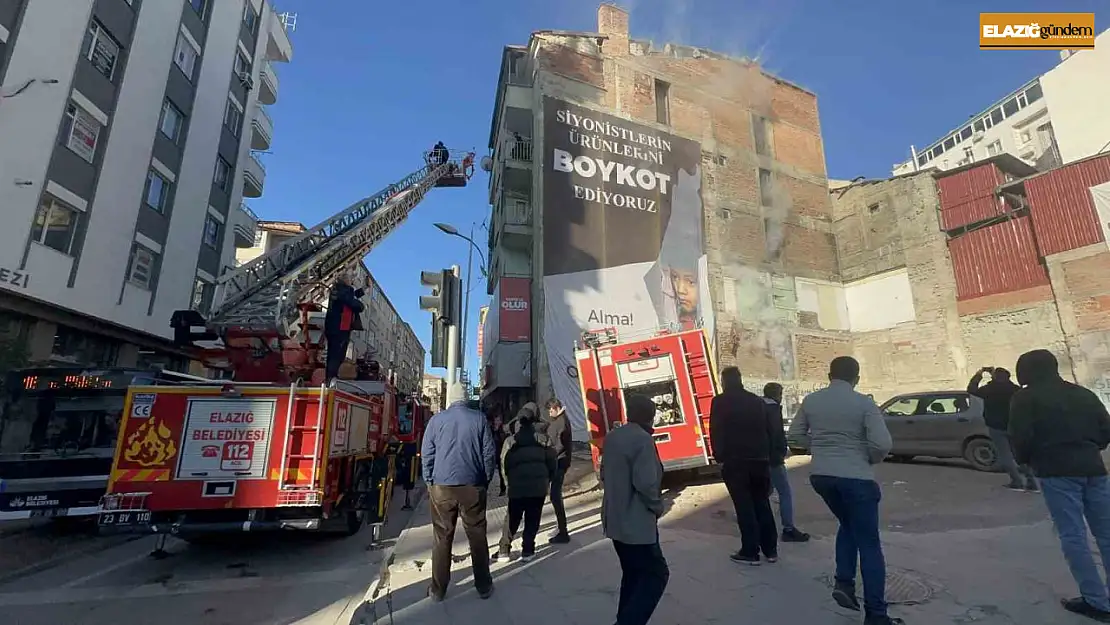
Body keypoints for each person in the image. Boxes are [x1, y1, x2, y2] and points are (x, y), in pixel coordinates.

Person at [788, 356, 902, 625]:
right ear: (857, 378)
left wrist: (820, 448)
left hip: (822, 477)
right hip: (857, 478)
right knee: (870, 545)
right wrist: (869, 457)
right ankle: (876, 615)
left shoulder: (812, 401)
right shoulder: (864, 403)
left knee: (848, 525)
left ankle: (844, 583)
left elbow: (794, 436)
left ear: (830, 375)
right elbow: (882, 443)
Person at [1009, 349, 1110, 621]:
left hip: (1056, 472)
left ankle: (1097, 601)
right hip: (1093, 468)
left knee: (1073, 536)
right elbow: (1105, 431)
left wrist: (1026, 461)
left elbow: (1020, 437)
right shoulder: (1082, 393)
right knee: (1106, 533)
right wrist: (1089, 447)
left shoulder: (1025, 398)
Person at [421, 383, 497, 601]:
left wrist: (429, 480)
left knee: (442, 537)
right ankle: (483, 586)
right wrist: (485, 479)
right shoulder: (479, 419)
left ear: (450, 399)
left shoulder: (436, 420)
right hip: (472, 485)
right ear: (465, 399)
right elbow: (488, 454)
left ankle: (438, 590)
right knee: (477, 535)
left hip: (442, 486)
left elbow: (427, 453)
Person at [601, 394, 669, 625]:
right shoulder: (642, 440)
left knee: (632, 574)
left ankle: (623, 618)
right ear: (651, 417)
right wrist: (658, 506)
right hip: (637, 524)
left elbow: (603, 474)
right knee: (656, 575)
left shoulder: (612, 437)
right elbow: (646, 483)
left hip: (615, 520)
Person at [709, 367, 778, 565]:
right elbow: (769, 429)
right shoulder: (757, 401)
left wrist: (719, 455)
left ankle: (750, 551)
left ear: (724, 382)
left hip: (735, 460)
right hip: (759, 459)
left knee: (744, 506)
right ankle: (770, 550)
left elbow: (717, 429)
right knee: (762, 503)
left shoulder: (720, 401)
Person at [495, 403, 557, 562]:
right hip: (538, 487)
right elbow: (552, 463)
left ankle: (504, 550)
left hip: (516, 488)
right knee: (533, 518)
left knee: (512, 518)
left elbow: (504, 465)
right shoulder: (544, 439)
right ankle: (528, 550)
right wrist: (546, 480)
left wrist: (508, 484)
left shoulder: (511, 441)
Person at [968, 366, 1037, 492]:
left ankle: (1017, 482)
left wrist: (980, 374)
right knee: (1019, 455)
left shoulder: (988, 390)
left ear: (994, 377)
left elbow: (971, 389)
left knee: (1005, 455)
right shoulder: (1016, 390)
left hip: (996, 426)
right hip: (1015, 426)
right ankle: (1032, 482)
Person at [763, 383, 810, 543]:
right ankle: (788, 529)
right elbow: (777, 435)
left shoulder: (757, 406)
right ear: (777, 394)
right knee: (785, 492)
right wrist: (781, 453)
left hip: (760, 457)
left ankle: (758, 522)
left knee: (765, 492)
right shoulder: (773, 409)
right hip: (773, 459)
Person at [323, 273, 365, 381]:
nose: (351, 280)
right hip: (340, 327)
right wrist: (361, 305)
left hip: (333, 326)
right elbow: (353, 302)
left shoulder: (337, 290)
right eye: (350, 278)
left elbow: (353, 296)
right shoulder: (344, 290)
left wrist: (364, 288)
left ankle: (330, 376)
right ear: (344, 280)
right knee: (337, 354)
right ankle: (331, 378)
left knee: (333, 353)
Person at [544, 397, 574, 544]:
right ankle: (561, 528)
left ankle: (563, 531)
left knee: (556, 496)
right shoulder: (559, 420)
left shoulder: (562, 422)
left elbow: (560, 445)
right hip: (559, 461)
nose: (550, 413)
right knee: (555, 496)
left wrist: (548, 455)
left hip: (559, 462)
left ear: (557, 408)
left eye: (551, 410)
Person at [490, 410, 509, 497]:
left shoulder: (503, 430)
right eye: (496, 420)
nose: (498, 422)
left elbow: (504, 441)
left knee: (502, 472)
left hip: (501, 453)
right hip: (493, 453)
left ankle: (503, 489)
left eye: (499, 420)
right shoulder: (490, 429)